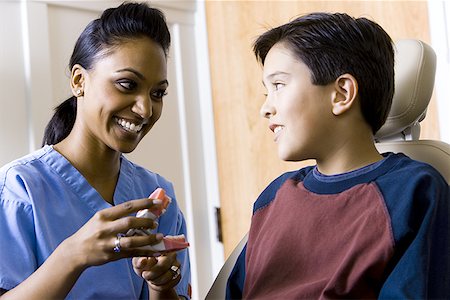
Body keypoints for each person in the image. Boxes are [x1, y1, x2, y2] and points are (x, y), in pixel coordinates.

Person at [226, 12, 450, 299]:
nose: (265, 109)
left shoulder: (414, 192)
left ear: (341, 94)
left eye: (278, 85)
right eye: (265, 92)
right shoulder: (274, 197)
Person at [0, 2, 191, 299]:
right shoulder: (19, 188)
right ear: (79, 81)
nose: (145, 109)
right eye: (127, 84)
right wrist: (72, 256)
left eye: (157, 93)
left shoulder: (157, 193)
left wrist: (161, 286)